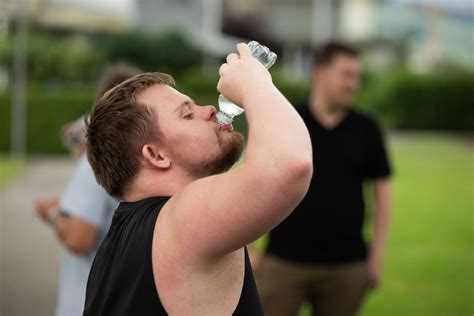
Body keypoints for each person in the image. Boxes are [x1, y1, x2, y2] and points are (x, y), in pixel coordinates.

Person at [83, 43, 313, 315]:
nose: (209, 110)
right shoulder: (180, 219)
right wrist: (255, 82)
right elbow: (288, 165)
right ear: (156, 155)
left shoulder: (118, 245)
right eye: (188, 114)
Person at [251, 41, 392, 316]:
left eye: (357, 76)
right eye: (347, 75)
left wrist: (376, 257)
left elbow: (382, 194)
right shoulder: (287, 119)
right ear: (320, 73)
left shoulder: (366, 127)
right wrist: (250, 250)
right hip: (283, 261)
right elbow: (255, 180)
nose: (354, 83)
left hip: (347, 265)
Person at [35, 64, 141, 316]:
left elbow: (78, 238)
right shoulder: (143, 159)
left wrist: (51, 212)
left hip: (84, 303)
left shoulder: (94, 162)